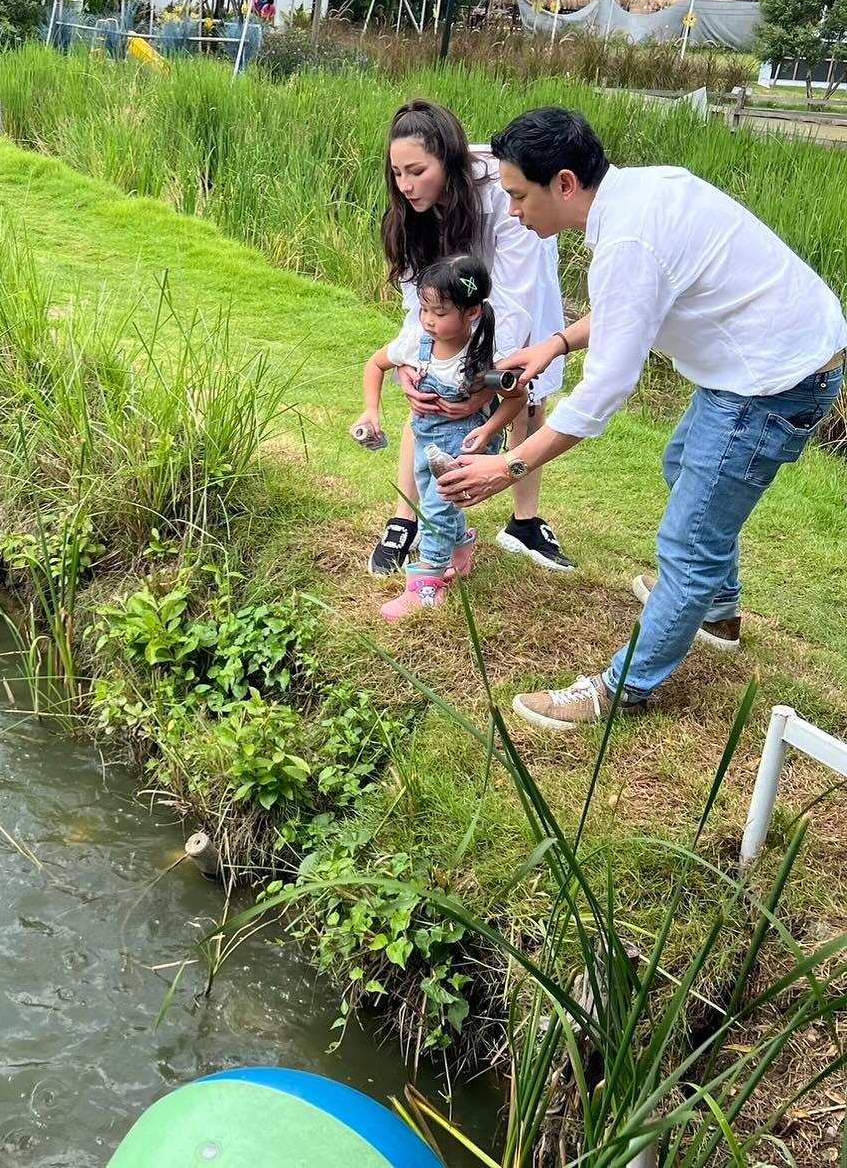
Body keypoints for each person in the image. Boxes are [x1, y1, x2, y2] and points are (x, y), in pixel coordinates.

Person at [438, 106, 846, 730]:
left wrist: (510, 463)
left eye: (520, 196)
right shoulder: (645, 192)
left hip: (771, 383)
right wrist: (555, 343)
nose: (514, 212)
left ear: (565, 183)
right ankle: (718, 612)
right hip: (775, 359)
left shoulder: (628, 239)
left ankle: (621, 688)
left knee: (687, 545)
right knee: (681, 463)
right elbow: (637, 301)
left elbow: (605, 389)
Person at [369, 100, 573, 576]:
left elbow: (515, 296)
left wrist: (486, 379)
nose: (405, 184)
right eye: (397, 173)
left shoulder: (502, 193)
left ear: (448, 158)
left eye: (417, 171)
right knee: (427, 395)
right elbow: (414, 300)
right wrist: (408, 362)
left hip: (512, 295)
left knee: (528, 396)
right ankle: (407, 520)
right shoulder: (411, 208)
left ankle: (524, 523)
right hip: (452, 301)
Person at [355, 254, 527, 620]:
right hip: (425, 434)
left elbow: (517, 399)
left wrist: (487, 429)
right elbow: (375, 363)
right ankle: (459, 549)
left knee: (436, 505)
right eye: (424, 310)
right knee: (427, 489)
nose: (429, 320)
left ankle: (427, 584)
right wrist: (371, 410)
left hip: (465, 440)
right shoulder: (417, 340)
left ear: (471, 313)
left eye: (440, 312)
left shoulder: (486, 353)